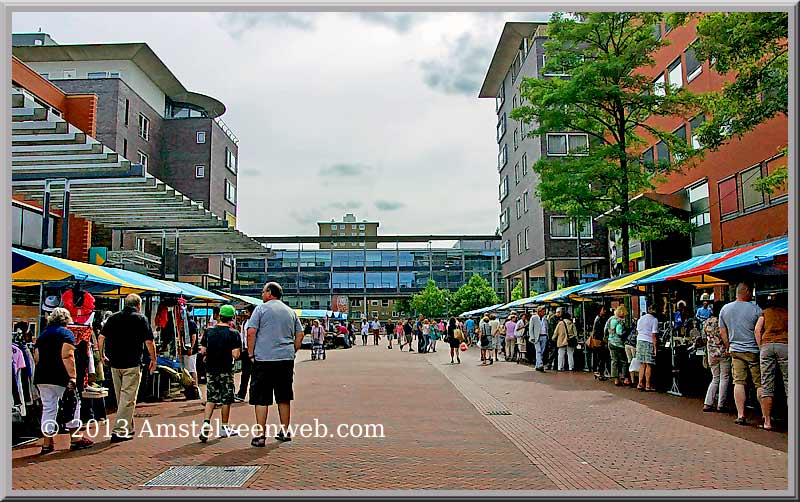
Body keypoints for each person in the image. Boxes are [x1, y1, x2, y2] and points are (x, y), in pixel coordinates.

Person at [246, 282, 304, 446]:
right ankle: (285, 431)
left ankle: (260, 435)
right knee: (284, 396)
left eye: (263, 291)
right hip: (285, 359)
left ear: (270, 293)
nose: (262, 294)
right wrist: (293, 350)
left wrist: (251, 353)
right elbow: (300, 334)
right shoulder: (289, 311)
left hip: (264, 359)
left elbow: (251, 332)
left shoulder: (260, 309)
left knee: (261, 398)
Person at [34, 308, 94, 453]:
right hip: (61, 376)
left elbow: (36, 357)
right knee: (73, 404)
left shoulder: (42, 335)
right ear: (66, 319)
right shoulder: (66, 333)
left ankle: (47, 442)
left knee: (48, 408)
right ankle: (75, 438)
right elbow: (67, 355)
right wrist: (73, 377)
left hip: (42, 376)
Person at [98, 294, 156, 443]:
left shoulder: (113, 318)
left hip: (114, 362)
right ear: (138, 305)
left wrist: (101, 354)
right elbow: (149, 341)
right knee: (128, 398)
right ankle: (119, 431)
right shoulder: (141, 319)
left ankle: (128, 427)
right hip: (132, 363)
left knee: (121, 398)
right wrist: (153, 359)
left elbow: (101, 337)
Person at [718, 283, 763, 426]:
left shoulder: (725, 309)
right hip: (753, 350)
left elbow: (722, 331)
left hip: (735, 350)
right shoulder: (756, 309)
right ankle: (764, 414)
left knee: (738, 382)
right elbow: (760, 330)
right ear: (748, 292)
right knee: (760, 383)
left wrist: (728, 345)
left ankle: (741, 414)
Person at [198, 305, 242, 442]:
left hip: (211, 369)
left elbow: (202, 351)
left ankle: (206, 422)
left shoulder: (209, 331)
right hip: (226, 369)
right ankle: (224, 427)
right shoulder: (234, 333)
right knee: (226, 399)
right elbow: (235, 354)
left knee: (211, 398)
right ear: (231, 318)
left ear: (219, 316)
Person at [755, 292, 787, 431]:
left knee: (767, 383)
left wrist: (760, 346)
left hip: (767, 345)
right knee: (789, 383)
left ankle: (767, 421)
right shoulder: (788, 312)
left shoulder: (765, 312)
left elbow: (757, 329)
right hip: (785, 345)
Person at [702, 301, 731, 413]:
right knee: (724, 378)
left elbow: (703, 338)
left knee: (715, 378)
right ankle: (721, 404)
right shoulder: (723, 321)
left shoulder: (707, 322)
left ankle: (708, 403)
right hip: (723, 352)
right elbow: (726, 335)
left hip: (711, 353)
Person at [635, 304, 659, 392]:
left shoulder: (640, 319)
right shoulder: (654, 320)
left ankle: (640, 383)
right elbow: (654, 335)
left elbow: (637, 332)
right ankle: (648, 385)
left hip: (640, 341)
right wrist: (655, 348)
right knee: (649, 364)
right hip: (648, 341)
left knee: (642, 364)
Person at [235, 305, 256, 402]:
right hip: (245, 350)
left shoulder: (255, 322)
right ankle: (241, 393)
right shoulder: (245, 322)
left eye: (247, 312)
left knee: (254, 374)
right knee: (245, 374)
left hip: (254, 350)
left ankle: (253, 394)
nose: (245, 313)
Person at [608, 306, 629, 387]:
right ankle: (625, 378)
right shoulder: (619, 321)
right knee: (623, 361)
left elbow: (605, 329)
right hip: (618, 343)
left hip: (610, 342)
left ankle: (616, 379)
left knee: (614, 361)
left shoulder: (610, 319)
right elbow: (619, 332)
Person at [183, 308, 201, 399]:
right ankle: (189, 389)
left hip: (191, 351)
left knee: (191, 369)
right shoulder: (184, 323)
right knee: (187, 370)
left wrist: (191, 347)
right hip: (185, 350)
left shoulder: (190, 323)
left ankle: (195, 388)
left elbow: (193, 336)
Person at [590, 306, 610, 381]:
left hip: (597, 341)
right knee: (602, 357)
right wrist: (603, 340)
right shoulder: (600, 319)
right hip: (600, 341)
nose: (605, 311)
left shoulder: (598, 318)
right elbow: (601, 331)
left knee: (599, 357)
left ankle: (598, 372)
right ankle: (600, 373)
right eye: (603, 310)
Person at [624, 311, 640, 387]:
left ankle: (629, 379)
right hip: (633, 344)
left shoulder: (633, 327)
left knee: (629, 362)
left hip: (627, 343)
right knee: (635, 361)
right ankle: (635, 380)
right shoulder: (638, 327)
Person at [533, 306, 548, 372]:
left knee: (542, 351)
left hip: (544, 336)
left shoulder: (545, 319)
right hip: (537, 336)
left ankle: (537, 365)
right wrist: (532, 337)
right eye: (543, 311)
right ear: (539, 311)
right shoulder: (534, 318)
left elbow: (547, 327)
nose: (544, 312)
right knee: (538, 350)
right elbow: (531, 328)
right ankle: (540, 364)